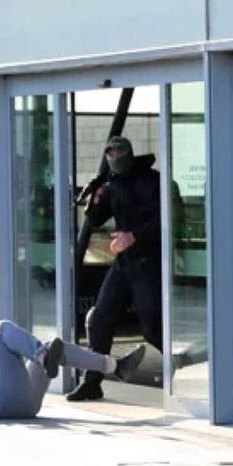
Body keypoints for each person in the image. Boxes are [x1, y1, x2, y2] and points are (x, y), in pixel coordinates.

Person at [67, 136, 163, 402]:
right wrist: (95, 197)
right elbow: (97, 219)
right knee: (99, 319)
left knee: (153, 328)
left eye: (118, 151)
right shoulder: (112, 185)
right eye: (109, 151)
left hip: (148, 261)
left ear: (129, 153)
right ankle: (92, 381)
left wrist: (134, 236)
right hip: (124, 263)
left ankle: (186, 368)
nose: (114, 156)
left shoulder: (151, 181)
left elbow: (167, 217)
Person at [0, 320, 145, 420]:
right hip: (6, 405)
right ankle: (41, 356)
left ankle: (115, 366)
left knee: (55, 348)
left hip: (22, 404)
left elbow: (0, 376)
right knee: (2, 328)